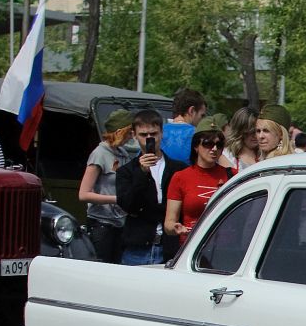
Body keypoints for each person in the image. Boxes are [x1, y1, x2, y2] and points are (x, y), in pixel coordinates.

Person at [114, 110, 170, 265]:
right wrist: (141, 173)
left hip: (168, 249)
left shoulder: (177, 169)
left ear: (161, 133)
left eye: (154, 134)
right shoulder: (126, 171)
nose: (149, 139)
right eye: (143, 135)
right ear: (134, 135)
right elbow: (129, 205)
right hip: (137, 249)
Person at [163, 127, 233, 247]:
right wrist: (175, 228)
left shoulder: (232, 175)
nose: (214, 149)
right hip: (192, 246)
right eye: (208, 144)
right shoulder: (181, 177)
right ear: (196, 147)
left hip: (225, 247)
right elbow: (169, 223)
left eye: (219, 145)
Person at [79, 110, 132, 263]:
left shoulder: (122, 153)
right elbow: (83, 194)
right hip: (101, 225)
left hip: (120, 223)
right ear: (120, 132)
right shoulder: (99, 154)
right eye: (129, 133)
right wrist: (116, 199)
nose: (130, 138)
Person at [160, 87, 208, 167]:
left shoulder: (157, 132)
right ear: (191, 110)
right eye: (202, 115)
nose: (202, 120)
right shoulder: (198, 135)